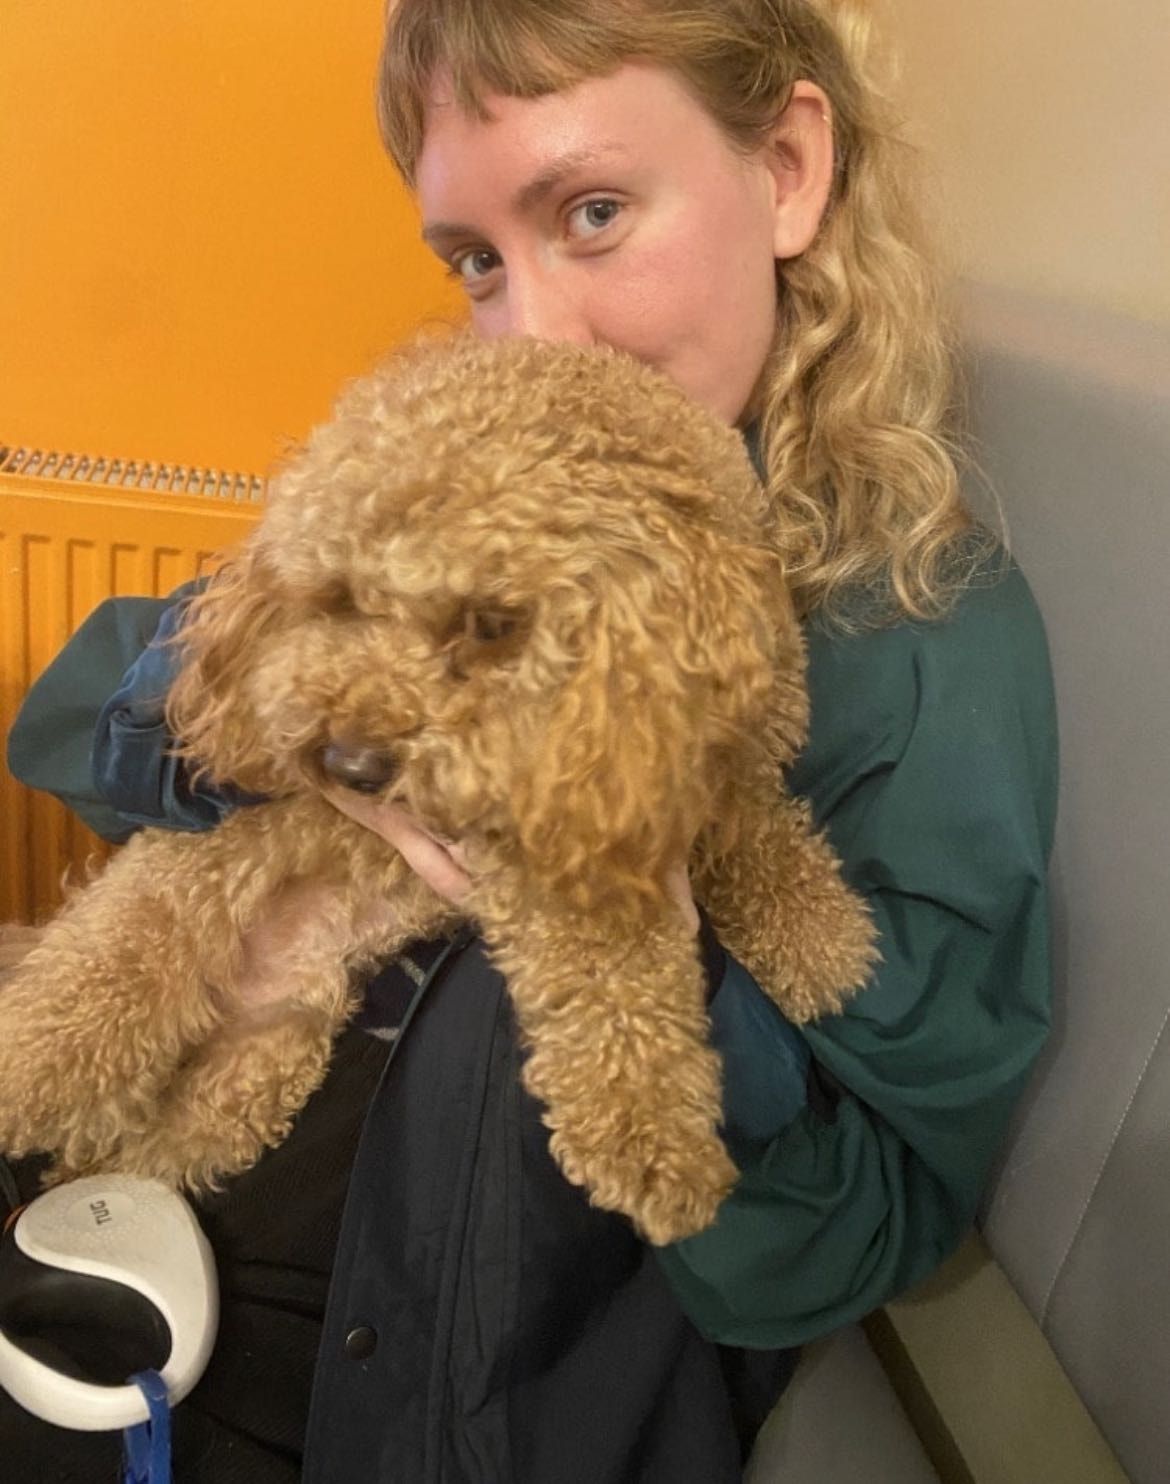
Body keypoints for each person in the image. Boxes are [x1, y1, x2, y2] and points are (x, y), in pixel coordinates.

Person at [2, 0, 1057, 1480]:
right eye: (477, 261)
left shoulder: (918, 642)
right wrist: (285, 747)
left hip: (406, 1365)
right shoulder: (457, 457)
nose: (531, 333)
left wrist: (652, 934)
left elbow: (858, 1227)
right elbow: (69, 708)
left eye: (594, 213)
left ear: (787, 168)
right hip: (129, 1167)